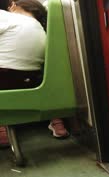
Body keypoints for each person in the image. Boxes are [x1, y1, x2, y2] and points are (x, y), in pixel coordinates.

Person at [0, 0, 69, 148]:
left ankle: (2, 127)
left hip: (3, 79)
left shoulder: (6, 16)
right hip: (32, 81)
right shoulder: (43, 31)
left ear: (13, 6)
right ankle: (56, 121)